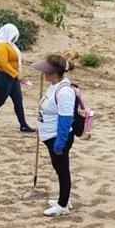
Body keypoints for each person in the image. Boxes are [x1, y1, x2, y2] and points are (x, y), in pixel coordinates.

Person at [32, 54, 76, 217]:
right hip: (49, 135)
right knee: (59, 168)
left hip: (58, 137)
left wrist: (60, 142)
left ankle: (63, 204)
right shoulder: (54, 86)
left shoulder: (64, 91)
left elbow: (65, 119)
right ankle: (65, 198)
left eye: (46, 71)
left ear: (54, 72)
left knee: (62, 169)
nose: (44, 73)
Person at [0, 23, 34, 134]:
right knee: (0, 100)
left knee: (18, 100)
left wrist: (18, 74)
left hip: (12, 77)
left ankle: (23, 124)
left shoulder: (11, 46)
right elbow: (4, 63)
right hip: (2, 76)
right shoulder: (1, 46)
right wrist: (16, 74)